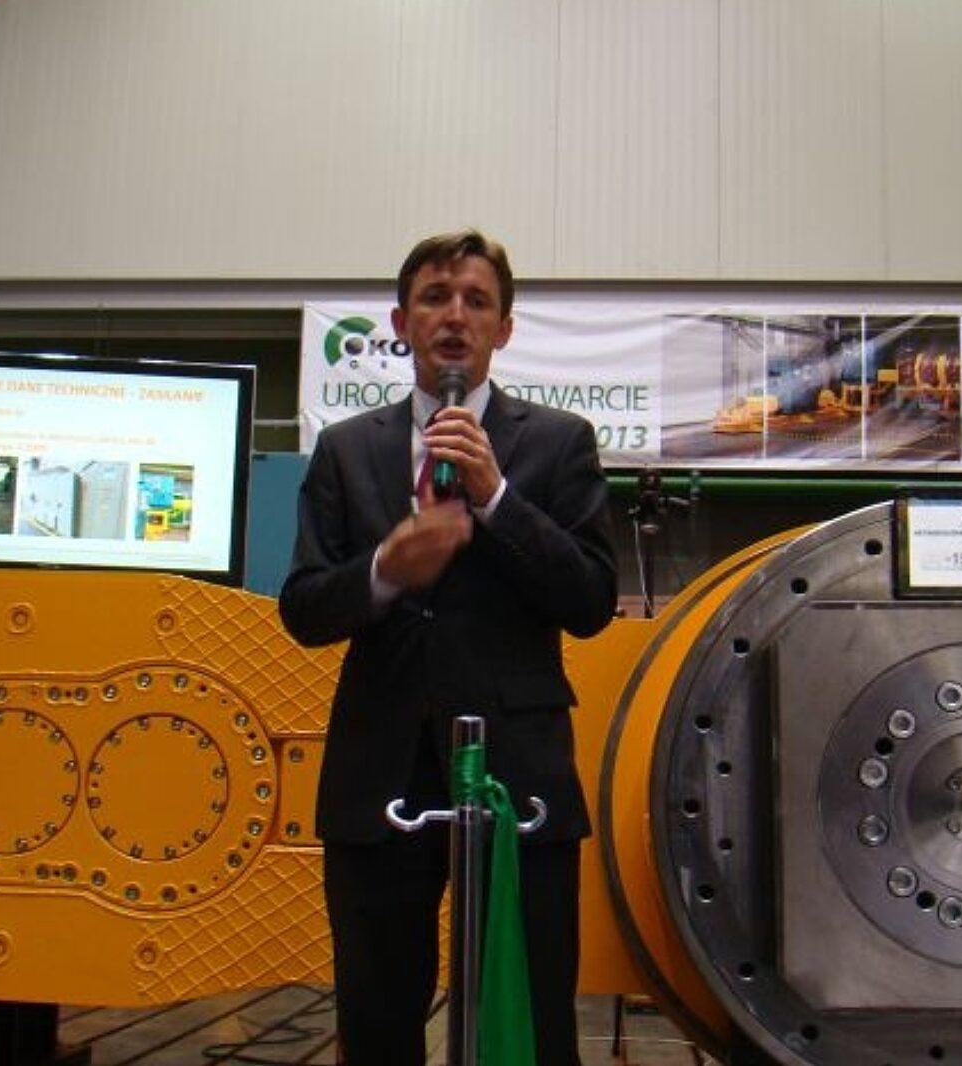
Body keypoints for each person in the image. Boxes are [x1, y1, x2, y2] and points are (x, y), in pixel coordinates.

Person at [278, 229, 618, 1066]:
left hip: (518, 771)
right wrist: (384, 571)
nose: (455, 316)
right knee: (376, 1017)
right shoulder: (346, 448)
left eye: (476, 301)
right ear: (402, 323)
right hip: (380, 769)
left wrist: (497, 497)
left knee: (529, 1018)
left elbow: (589, 602)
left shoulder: (558, 442)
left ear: (504, 327)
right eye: (434, 298)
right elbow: (305, 610)